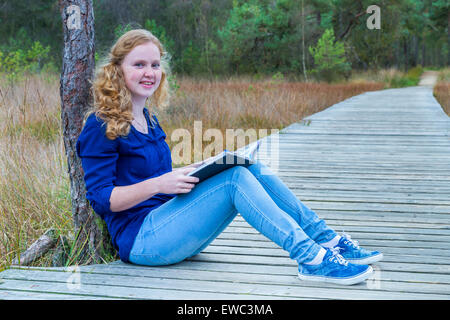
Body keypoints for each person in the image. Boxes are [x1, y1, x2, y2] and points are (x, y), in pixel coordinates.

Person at [76, 29, 382, 286]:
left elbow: (159, 176)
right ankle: (311, 258)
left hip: (170, 223)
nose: (149, 73)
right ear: (117, 70)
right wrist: (161, 184)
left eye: (155, 65)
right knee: (234, 180)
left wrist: (199, 168)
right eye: (139, 64)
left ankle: (327, 241)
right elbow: (102, 199)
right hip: (142, 240)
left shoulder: (149, 120)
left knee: (249, 166)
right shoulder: (100, 125)